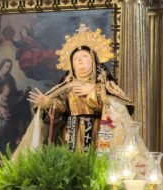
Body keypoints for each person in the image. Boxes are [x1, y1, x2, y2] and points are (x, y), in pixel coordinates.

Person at [19, 25, 133, 154]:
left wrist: (94, 92)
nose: (80, 61)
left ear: (94, 61)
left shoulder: (106, 86)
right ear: (71, 65)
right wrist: (49, 104)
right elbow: (61, 108)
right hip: (70, 135)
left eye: (84, 57)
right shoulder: (66, 87)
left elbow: (119, 108)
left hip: (97, 133)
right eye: (76, 59)